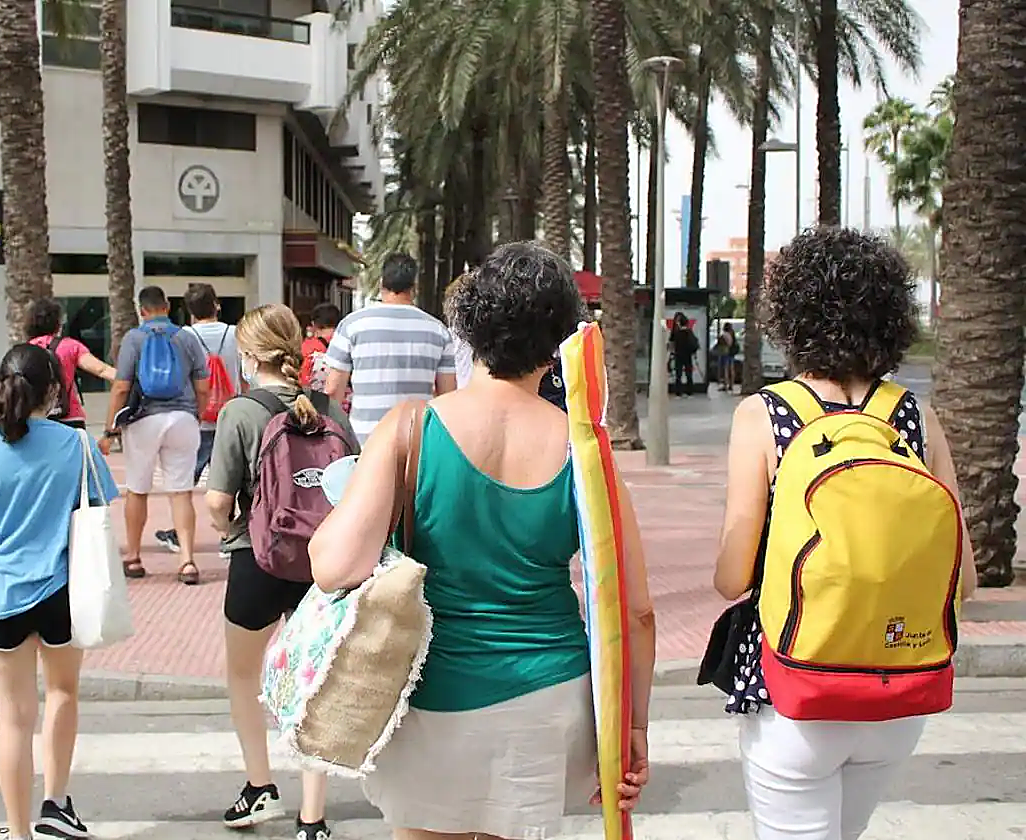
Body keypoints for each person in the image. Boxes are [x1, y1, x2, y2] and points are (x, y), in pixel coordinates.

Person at [309, 242, 656, 840]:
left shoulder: (411, 427)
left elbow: (335, 567)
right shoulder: (587, 451)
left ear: (469, 327)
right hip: (549, 693)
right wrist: (633, 729)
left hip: (434, 692)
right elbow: (636, 610)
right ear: (560, 343)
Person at [714, 227, 978, 840]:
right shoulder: (914, 416)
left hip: (796, 688)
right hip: (899, 693)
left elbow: (732, 578)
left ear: (791, 315)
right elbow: (962, 576)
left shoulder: (767, 415)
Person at [0, 343, 119, 840]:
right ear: (55, 391)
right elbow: (100, 511)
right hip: (61, 594)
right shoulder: (77, 447)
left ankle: (18, 833)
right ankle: (55, 805)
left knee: (13, 720)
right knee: (63, 692)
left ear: (0, 387)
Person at [204, 303, 358, 840]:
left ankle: (258, 786)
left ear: (248, 355)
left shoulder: (241, 412)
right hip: (322, 563)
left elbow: (218, 500)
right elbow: (352, 485)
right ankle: (312, 817)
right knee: (313, 683)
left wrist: (227, 527)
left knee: (244, 675)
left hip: (257, 557)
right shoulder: (330, 409)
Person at [101, 286, 209, 585]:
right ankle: (187, 561)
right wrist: (195, 414)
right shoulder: (187, 337)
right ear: (168, 305)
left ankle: (134, 557)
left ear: (142, 311)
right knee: (180, 492)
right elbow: (202, 386)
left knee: (138, 489)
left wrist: (110, 429)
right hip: (183, 419)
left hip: (143, 420)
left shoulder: (134, 338)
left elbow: (121, 387)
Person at [323, 253, 457, 444]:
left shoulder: (352, 325)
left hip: (364, 443)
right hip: (417, 443)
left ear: (381, 283)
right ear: (414, 288)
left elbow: (333, 391)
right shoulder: (439, 331)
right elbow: (448, 398)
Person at [154, 282, 239, 559]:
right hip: (231, 414)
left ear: (189, 311)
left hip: (197, 417)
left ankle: (180, 534)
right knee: (230, 479)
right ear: (216, 304)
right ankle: (230, 536)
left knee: (183, 483)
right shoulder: (235, 333)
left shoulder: (182, 337)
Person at [25, 298, 117, 429]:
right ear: (57, 323)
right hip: (70, 417)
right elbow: (101, 370)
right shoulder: (70, 346)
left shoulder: (26, 350)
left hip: (37, 418)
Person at [301, 303, 351, 411]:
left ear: (314, 324)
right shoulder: (347, 344)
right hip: (344, 407)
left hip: (314, 405)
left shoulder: (307, 348)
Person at [669, 311, 699, 397]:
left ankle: (679, 391)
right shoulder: (688, 331)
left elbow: (672, 342)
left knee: (679, 373)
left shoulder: (676, 332)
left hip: (679, 354)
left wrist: (671, 353)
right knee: (687, 373)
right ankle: (689, 390)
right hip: (687, 354)